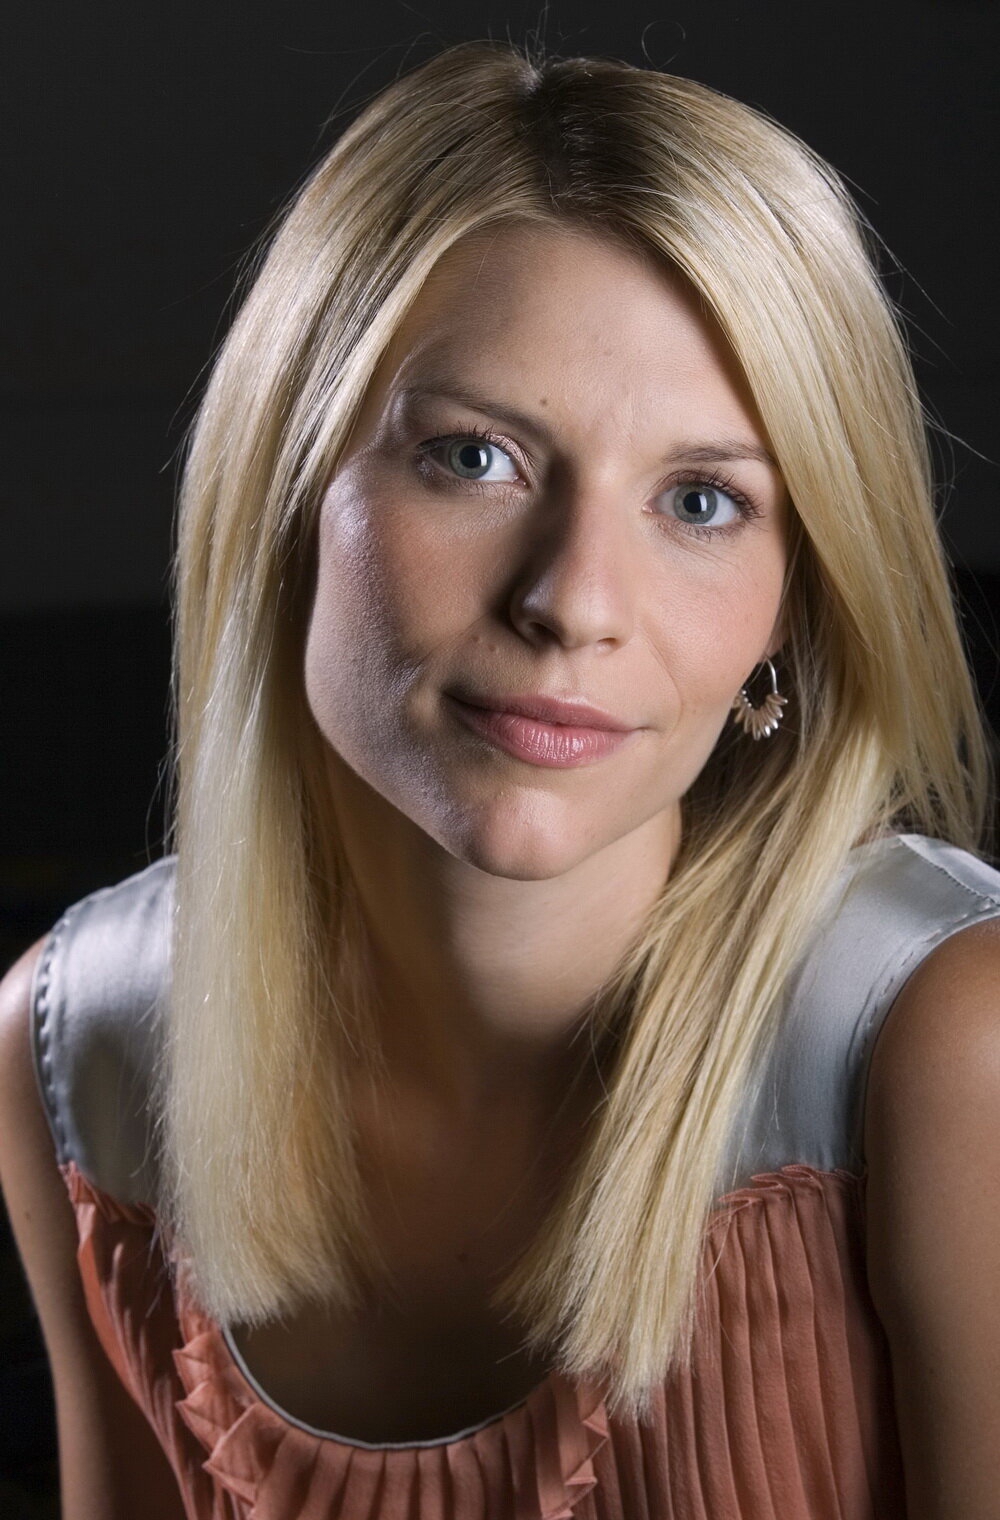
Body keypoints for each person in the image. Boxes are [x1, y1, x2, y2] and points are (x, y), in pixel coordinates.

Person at [1, 37, 999, 1520]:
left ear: (795, 604)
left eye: (702, 500)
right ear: (288, 491)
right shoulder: (78, 1044)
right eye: (474, 458)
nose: (573, 601)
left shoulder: (953, 1045)